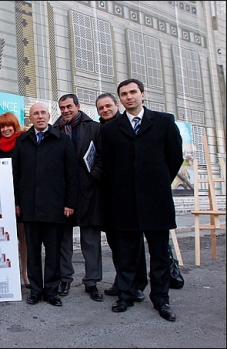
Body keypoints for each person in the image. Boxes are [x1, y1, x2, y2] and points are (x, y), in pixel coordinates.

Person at [101, 79, 183, 321]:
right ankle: (126, 295)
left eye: (133, 92)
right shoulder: (110, 129)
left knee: (159, 254)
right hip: (124, 201)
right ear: (120, 100)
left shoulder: (164, 122)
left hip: (156, 200)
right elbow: (109, 165)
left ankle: (161, 299)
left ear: (143, 95)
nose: (129, 97)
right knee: (126, 254)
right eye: (124, 94)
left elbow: (174, 158)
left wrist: (157, 182)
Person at [12, 102, 78, 307]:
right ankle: (35, 290)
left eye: (43, 113)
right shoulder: (22, 141)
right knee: (32, 252)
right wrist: (17, 202)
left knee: (52, 252)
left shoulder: (63, 140)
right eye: (35, 114)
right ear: (30, 118)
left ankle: (51, 291)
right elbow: (16, 175)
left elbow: (72, 175)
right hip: (29, 207)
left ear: (49, 116)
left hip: (55, 207)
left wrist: (69, 203)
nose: (39, 116)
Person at [95, 92, 147, 301]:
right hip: (108, 196)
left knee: (134, 244)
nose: (105, 110)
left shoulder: (128, 126)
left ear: (117, 105)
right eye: (101, 108)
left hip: (129, 197)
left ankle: (137, 284)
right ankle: (123, 281)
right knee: (116, 243)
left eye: (108, 106)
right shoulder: (102, 129)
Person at [53, 94, 104, 302]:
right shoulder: (54, 130)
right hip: (63, 193)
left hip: (88, 191)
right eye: (62, 108)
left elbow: (102, 155)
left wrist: (94, 176)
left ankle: (92, 281)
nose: (65, 111)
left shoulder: (94, 127)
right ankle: (65, 278)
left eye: (69, 107)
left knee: (90, 239)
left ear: (78, 106)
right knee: (63, 239)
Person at [0, 111, 30, 287]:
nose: (6, 129)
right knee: (6, 237)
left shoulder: (23, 142)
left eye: (9, 125)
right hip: (3, 196)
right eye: (2, 126)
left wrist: (19, 202)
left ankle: (25, 273)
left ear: (15, 126)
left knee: (23, 237)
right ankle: (11, 273)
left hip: (21, 195)